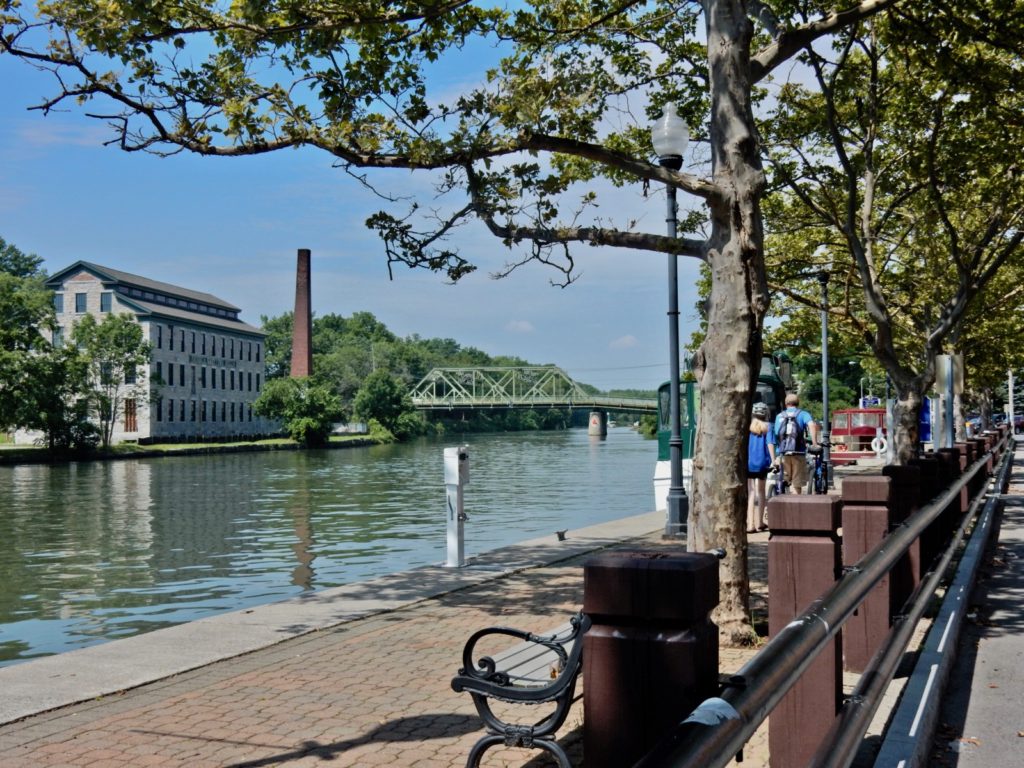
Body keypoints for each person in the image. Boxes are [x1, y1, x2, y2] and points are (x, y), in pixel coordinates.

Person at [773, 393, 820, 495]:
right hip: (798, 452)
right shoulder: (803, 414)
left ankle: (781, 497)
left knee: (783, 479)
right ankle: (794, 506)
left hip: (783, 453)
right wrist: (815, 443)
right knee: (796, 483)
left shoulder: (779, 416)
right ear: (798, 403)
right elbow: (811, 425)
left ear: (786, 404)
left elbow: (777, 433)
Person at [747, 401, 777, 532]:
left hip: (749, 463)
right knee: (761, 491)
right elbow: (770, 443)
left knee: (751, 492)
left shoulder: (748, 426)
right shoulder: (768, 426)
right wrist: (774, 460)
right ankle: (760, 522)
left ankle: (750, 524)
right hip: (762, 463)